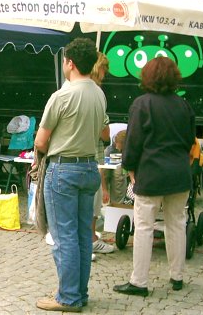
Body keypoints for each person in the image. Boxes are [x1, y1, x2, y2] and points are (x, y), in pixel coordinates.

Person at [34, 38, 106, 312]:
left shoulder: (61, 96)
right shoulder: (99, 93)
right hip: (89, 167)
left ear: (70, 63)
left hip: (63, 169)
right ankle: (79, 292)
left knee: (64, 237)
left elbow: (41, 142)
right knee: (82, 236)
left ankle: (68, 297)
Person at [114, 56, 195, 296]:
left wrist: (129, 167)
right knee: (177, 225)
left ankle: (139, 282)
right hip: (179, 173)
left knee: (144, 227)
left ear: (147, 76)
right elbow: (190, 140)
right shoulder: (184, 105)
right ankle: (177, 276)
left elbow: (134, 141)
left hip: (150, 174)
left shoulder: (142, 104)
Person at [90, 52, 115, 259]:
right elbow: (104, 133)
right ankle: (91, 240)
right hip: (92, 155)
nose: (105, 75)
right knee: (93, 200)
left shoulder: (68, 88)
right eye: (104, 69)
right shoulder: (96, 92)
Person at [102, 129, 127, 203]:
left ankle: (117, 203)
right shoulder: (108, 150)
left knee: (119, 173)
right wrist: (104, 190)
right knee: (106, 172)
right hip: (108, 157)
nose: (117, 147)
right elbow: (101, 172)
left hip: (121, 165)